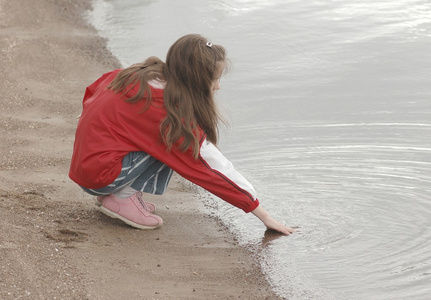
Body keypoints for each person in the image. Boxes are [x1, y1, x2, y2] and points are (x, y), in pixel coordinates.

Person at [69, 34, 295, 235]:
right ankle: (120, 197)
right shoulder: (167, 113)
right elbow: (209, 164)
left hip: (87, 164)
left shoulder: (137, 75)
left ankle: (118, 191)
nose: (217, 87)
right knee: (175, 144)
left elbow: (92, 93)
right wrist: (260, 212)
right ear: (196, 81)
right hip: (99, 176)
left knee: (158, 139)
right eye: (214, 80)